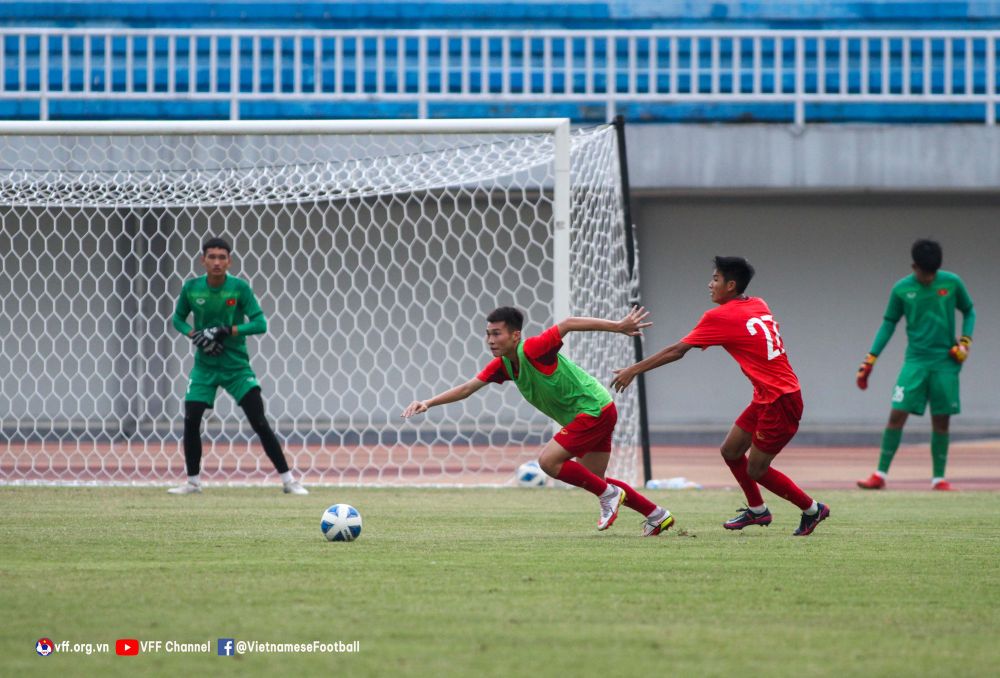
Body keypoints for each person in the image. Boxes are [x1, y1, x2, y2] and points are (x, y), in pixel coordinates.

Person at [401, 306, 675, 537]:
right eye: (488, 334)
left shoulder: (532, 348)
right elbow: (466, 389)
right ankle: (656, 515)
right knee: (595, 478)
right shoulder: (502, 365)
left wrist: (617, 326)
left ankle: (608, 495)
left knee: (549, 462)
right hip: (598, 410)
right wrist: (429, 402)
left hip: (592, 409)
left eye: (497, 333)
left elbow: (567, 324)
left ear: (515, 335)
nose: (490, 340)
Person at [612, 256, 829, 537]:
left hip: (779, 401)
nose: (709, 284)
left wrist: (633, 370)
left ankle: (812, 509)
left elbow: (677, 351)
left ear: (731, 284)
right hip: (769, 395)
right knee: (731, 451)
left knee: (758, 469)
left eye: (715, 279)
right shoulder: (757, 303)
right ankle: (757, 511)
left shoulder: (720, 316)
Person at [167, 237, 307, 495]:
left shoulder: (239, 288)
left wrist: (226, 330)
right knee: (191, 419)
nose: (217, 262)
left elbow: (260, 323)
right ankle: (193, 482)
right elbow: (177, 319)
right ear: (203, 260)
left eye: (222, 257)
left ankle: (289, 480)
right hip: (204, 368)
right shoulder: (191, 289)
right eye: (212, 257)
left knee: (259, 421)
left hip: (237, 368)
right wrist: (193, 334)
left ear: (229, 261)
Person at [855, 239, 975, 491]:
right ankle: (879, 474)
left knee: (941, 420)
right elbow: (889, 323)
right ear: (914, 266)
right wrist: (871, 358)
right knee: (897, 414)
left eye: (933, 272)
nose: (929, 278)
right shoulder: (901, 289)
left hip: (946, 363)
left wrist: (965, 341)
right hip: (915, 362)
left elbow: (969, 310)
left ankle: (938, 478)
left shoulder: (952, 282)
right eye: (924, 272)